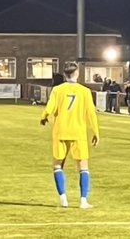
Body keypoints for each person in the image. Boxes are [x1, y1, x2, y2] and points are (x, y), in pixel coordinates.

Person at [40, 61, 100, 209]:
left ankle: (63, 198)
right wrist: (96, 131)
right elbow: (91, 113)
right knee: (83, 167)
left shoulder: (57, 90)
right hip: (78, 132)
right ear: (77, 73)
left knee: (57, 166)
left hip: (60, 131)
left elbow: (50, 107)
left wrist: (44, 116)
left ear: (65, 75)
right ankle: (83, 201)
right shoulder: (85, 91)